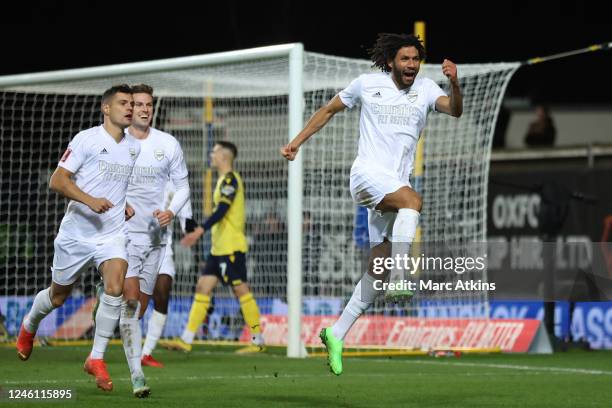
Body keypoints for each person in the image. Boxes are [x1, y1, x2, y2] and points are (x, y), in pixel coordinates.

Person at [280, 33, 463, 375]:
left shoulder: (425, 89)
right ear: (391, 60)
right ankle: (400, 276)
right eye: (405, 59)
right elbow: (328, 110)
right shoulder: (366, 84)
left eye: (416, 59)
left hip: (393, 183)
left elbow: (454, 111)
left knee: (375, 269)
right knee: (413, 202)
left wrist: (455, 84)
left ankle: (335, 334)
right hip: (366, 176)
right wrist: (296, 143)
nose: (412, 65)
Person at [16, 85, 140, 392]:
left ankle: (95, 358)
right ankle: (29, 325)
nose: (130, 108)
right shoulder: (87, 139)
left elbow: (112, 185)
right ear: (106, 109)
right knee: (58, 297)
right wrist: (89, 200)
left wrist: (121, 205)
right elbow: (58, 180)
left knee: (115, 286)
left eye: (132, 104)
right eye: (123, 103)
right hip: (76, 234)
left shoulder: (133, 147)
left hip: (111, 234)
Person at [119, 84, 190, 393]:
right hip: (121, 237)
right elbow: (95, 182)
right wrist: (118, 206)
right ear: (129, 108)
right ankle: (137, 375)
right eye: (139, 104)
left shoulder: (168, 144)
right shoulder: (113, 143)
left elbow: (184, 187)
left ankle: (101, 341)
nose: (145, 109)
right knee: (132, 304)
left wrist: (172, 212)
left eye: (149, 104)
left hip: (156, 239)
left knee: (139, 308)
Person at [161, 142, 265, 353]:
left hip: (231, 248)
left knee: (241, 290)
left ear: (224, 156)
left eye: (215, 151)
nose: (211, 154)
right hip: (218, 250)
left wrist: (200, 230)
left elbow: (223, 210)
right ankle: (186, 340)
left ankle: (257, 341)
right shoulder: (221, 181)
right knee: (202, 287)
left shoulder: (230, 179)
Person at [140, 181, 195, 368]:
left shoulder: (177, 186)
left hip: (163, 247)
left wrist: (192, 230)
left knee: (163, 292)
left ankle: (146, 353)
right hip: (134, 244)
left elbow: (187, 221)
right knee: (130, 298)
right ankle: (98, 351)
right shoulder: (139, 172)